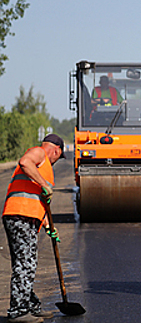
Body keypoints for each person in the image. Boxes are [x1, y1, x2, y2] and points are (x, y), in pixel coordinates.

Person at [2, 134, 66, 323]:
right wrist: (44, 184)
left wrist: (48, 226)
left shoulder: (43, 168)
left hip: (26, 217)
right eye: (58, 157)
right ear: (57, 150)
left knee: (26, 263)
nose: (55, 161)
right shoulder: (38, 153)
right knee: (25, 263)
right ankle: (18, 311)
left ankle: (31, 305)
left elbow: (37, 199)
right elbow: (24, 162)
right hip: (20, 215)